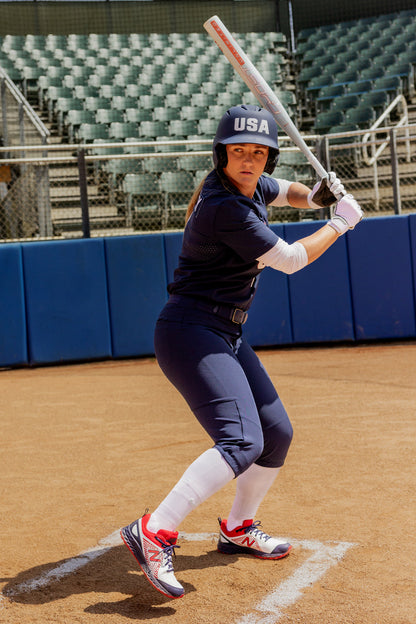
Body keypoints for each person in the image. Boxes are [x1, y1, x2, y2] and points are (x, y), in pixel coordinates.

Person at [120, 104, 363, 599]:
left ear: (266, 158)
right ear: (222, 155)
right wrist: (339, 222)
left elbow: (290, 191)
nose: (248, 160)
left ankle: (236, 527)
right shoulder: (224, 207)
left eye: (257, 153)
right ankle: (155, 529)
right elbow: (292, 261)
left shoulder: (249, 183)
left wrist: (316, 197)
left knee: (275, 433)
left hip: (225, 333)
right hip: (191, 331)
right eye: (238, 152)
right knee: (240, 440)